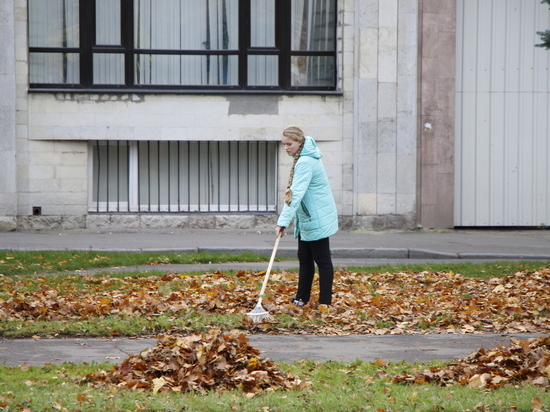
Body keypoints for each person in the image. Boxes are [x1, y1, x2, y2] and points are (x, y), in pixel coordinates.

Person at [275, 125, 338, 309]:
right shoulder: (303, 158)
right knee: (304, 257)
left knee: (322, 260)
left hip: (316, 218)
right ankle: (301, 298)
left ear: (299, 142)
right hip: (308, 218)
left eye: (289, 144)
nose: (286, 147)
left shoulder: (305, 162)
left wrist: (282, 222)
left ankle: (325, 302)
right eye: (283, 144)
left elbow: (295, 195)